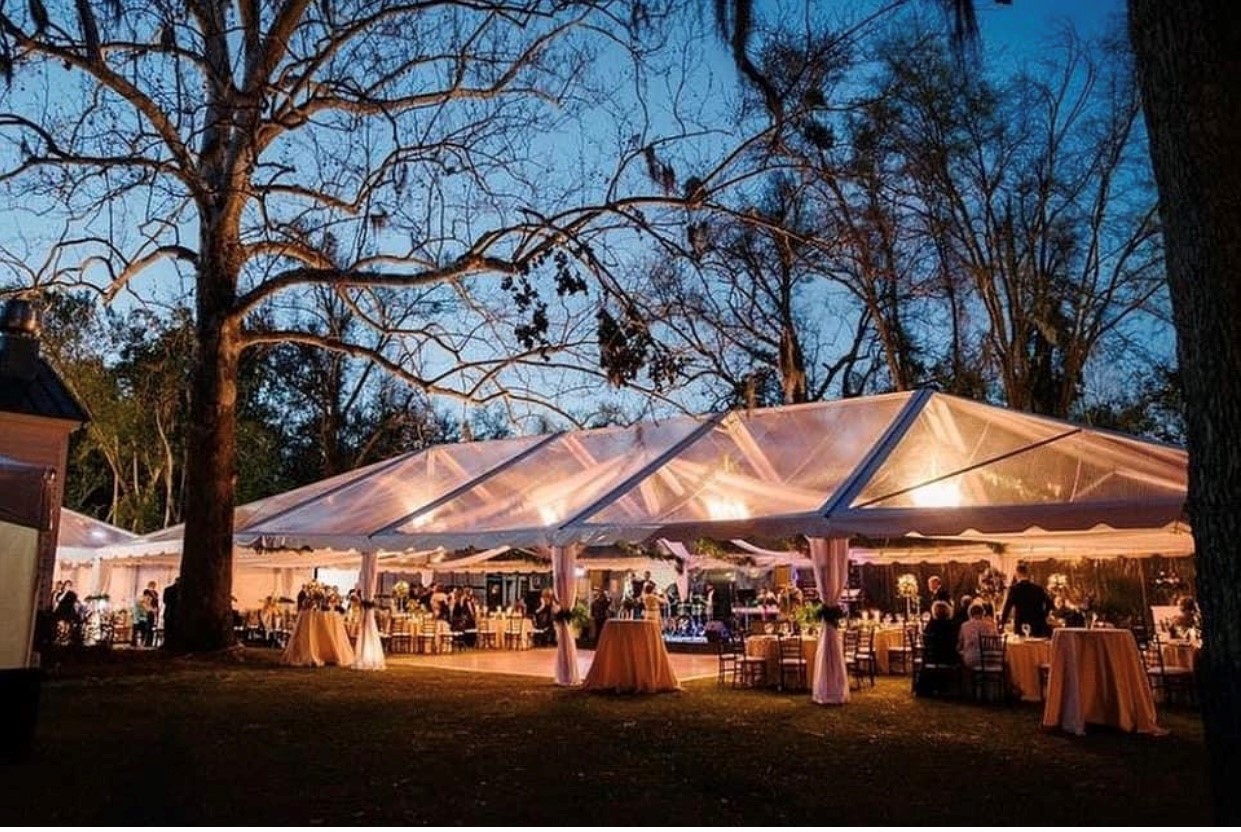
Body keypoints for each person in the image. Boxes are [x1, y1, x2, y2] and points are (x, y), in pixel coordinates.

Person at [1000, 564, 1053, 637]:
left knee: (1021, 643)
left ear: (1017, 574)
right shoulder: (1038, 589)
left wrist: (1002, 623)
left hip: (1020, 624)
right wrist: (1043, 615)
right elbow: (1050, 603)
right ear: (1027, 573)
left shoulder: (1014, 589)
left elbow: (1007, 607)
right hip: (1037, 624)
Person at [957, 602, 999, 669]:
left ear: (970, 614)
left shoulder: (964, 626)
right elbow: (997, 643)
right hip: (989, 659)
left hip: (971, 659)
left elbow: (960, 645)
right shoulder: (991, 625)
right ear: (983, 613)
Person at [162, 577, 181, 649]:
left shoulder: (168, 589)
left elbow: (165, 601)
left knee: (168, 628)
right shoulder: (180, 590)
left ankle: (168, 643)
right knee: (172, 628)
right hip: (174, 612)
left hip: (169, 611)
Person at [140, 581, 160, 647]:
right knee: (147, 626)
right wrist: (150, 608)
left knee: (151, 626)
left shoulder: (155, 593)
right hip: (148, 610)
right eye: (152, 585)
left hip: (154, 610)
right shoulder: (146, 591)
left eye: (154, 586)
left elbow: (156, 602)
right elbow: (145, 601)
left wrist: (156, 609)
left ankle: (150, 642)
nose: (153, 587)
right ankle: (146, 642)